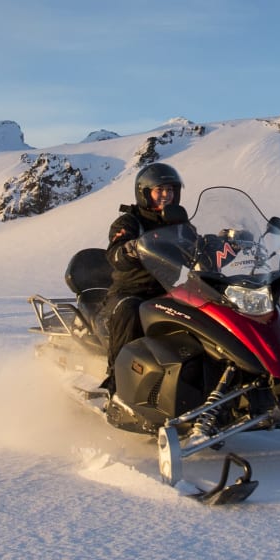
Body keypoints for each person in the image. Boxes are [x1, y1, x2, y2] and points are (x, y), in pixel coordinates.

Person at [100, 163, 189, 393]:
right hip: (130, 291)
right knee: (129, 312)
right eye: (160, 190)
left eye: (170, 190)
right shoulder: (129, 222)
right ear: (144, 192)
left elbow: (195, 250)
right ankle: (116, 382)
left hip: (166, 292)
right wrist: (129, 248)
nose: (166, 196)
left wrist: (227, 246)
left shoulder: (179, 223)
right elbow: (115, 254)